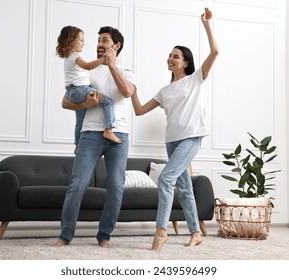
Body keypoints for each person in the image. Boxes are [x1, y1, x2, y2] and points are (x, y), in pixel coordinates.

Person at [130, 7, 219, 251]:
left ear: (186, 62)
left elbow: (215, 51)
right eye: (170, 55)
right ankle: (195, 232)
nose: (171, 58)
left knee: (167, 178)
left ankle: (161, 230)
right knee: (184, 186)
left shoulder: (196, 79)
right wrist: (132, 89)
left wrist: (207, 25)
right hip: (172, 141)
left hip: (191, 137)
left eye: (176, 56)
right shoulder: (164, 91)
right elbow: (139, 110)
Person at [55, 26, 136, 248]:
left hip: (118, 135)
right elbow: (65, 102)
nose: (99, 44)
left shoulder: (127, 71)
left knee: (116, 185)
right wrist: (86, 103)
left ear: (116, 46)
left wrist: (111, 66)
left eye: (105, 40)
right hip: (90, 134)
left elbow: (127, 92)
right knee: (77, 183)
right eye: (98, 40)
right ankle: (65, 236)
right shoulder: (87, 70)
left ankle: (104, 235)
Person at [56, 25, 121, 152]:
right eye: (81, 40)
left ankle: (77, 144)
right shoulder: (75, 56)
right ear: (71, 40)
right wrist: (104, 59)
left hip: (72, 90)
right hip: (79, 89)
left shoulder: (69, 57)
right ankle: (108, 130)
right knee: (108, 102)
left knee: (80, 118)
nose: (83, 43)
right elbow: (88, 66)